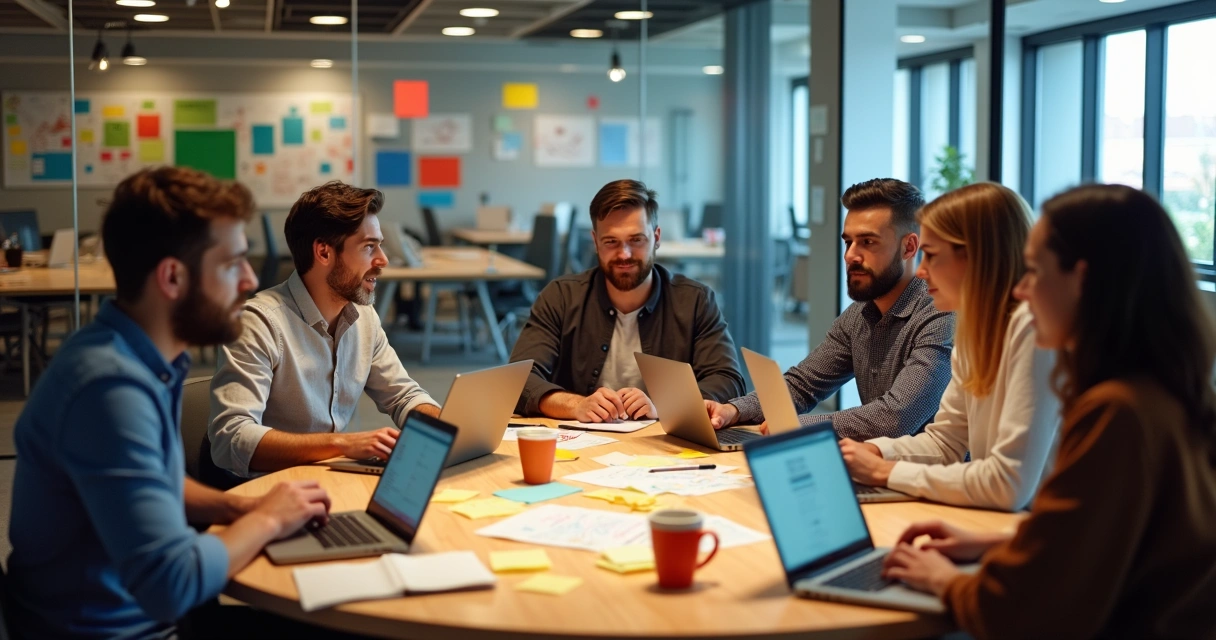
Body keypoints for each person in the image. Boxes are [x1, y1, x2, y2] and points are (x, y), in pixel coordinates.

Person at [5, 167, 332, 639]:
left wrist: (241, 510)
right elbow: (170, 584)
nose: (248, 279)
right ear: (173, 277)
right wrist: (267, 519)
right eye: (232, 263)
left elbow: (158, 484)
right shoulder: (109, 388)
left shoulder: (136, 356)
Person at [882, 184, 1216, 638]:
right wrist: (1002, 543)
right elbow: (1104, 542)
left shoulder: (1117, 413)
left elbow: (1021, 611)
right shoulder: (1166, 394)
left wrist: (944, 580)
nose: (1022, 288)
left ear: (1081, 279)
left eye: (1035, 271)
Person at [839, 182, 1059, 511]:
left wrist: (885, 471)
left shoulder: (1033, 329)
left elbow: (1008, 485)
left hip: (1046, 532)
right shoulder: (975, 330)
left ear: (977, 258)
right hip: (1004, 525)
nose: (921, 271)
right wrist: (876, 452)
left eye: (931, 255)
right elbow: (945, 443)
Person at [209, 182, 440, 478]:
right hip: (272, 490)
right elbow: (231, 440)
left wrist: (445, 428)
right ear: (323, 252)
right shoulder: (258, 324)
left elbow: (404, 396)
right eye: (369, 247)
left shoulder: (363, 317)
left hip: (330, 482)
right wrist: (341, 444)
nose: (382, 260)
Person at [705, 178, 954, 438]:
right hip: (875, 460)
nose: (850, 255)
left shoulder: (941, 316)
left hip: (932, 465)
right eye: (848, 242)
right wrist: (733, 410)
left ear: (909, 247)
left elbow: (896, 418)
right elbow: (803, 384)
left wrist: (798, 426)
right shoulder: (859, 315)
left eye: (868, 242)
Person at [511, 179, 745, 422]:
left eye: (636, 240)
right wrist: (576, 405)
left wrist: (666, 405)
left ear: (656, 237)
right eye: (611, 242)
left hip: (665, 440)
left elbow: (727, 380)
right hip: (578, 440)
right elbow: (518, 380)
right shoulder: (560, 297)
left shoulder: (695, 301)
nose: (624, 254)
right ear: (596, 242)